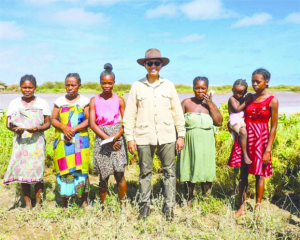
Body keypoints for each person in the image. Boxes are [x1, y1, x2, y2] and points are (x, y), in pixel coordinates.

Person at [123, 48, 186, 221]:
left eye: (156, 63)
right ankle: (144, 205)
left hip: (167, 135)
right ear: (144, 65)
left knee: (169, 172)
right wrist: (130, 138)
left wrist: (181, 135)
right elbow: (129, 114)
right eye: (149, 63)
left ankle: (169, 206)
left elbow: (177, 111)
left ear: (161, 65)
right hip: (144, 135)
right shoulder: (137, 86)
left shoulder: (169, 85)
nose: (153, 66)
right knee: (145, 173)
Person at [228, 68, 279, 218]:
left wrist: (268, 149)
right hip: (245, 138)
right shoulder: (248, 97)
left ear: (266, 82)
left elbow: (274, 126)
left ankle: (257, 207)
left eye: (258, 81)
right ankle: (242, 206)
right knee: (243, 174)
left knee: (259, 175)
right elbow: (235, 113)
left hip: (261, 140)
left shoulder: (272, 101)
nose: (255, 84)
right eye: (253, 81)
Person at [3, 75, 51, 209]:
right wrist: (15, 129)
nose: (27, 90)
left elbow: (48, 123)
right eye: (24, 87)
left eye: (30, 87)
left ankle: (38, 204)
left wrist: (38, 128)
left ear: (35, 87)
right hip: (21, 141)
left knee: (38, 171)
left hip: (37, 141)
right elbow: (8, 123)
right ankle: (28, 204)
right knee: (23, 172)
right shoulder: (14, 103)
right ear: (20, 88)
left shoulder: (42, 103)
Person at [177, 77, 223, 208]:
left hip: (206, 142)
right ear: (193, 88)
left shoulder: (210, 105)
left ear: (207, 89)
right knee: (189, 168)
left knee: (206, 169)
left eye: (203, 88)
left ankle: (206, 199)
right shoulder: (186, 103)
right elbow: (178, 123)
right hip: (189, 142)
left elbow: (219, 122)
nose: (200, 91)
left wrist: (210, 103)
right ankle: (188, 199)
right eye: (197, 88)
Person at [89, 63, 127, 208]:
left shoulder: (120, 100)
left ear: (114, 83)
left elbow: (127, 122)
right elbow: (93, 124)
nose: (106, 86)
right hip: (102, 138)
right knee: (104, 175)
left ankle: (123, 205)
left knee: (119, 174)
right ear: (100, 83)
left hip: (118, 138)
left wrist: (116, 136)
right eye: (104, 83)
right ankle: (104, 206)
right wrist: (108, 139)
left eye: (109, 83)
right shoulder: (94, 100)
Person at [51, 73, 90, 210]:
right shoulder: (59, 101)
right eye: (67, 85)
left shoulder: (85, 101)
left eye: (73, 85)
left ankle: (83, 202)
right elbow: (53, 119)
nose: (70, 87)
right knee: (64, 170)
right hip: (63, 142)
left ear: (79, 85)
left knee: (80, 170)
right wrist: (64, 128)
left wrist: (73, 129)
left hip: (80, 142)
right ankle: (64, 204)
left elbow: (89, 119)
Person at [228, 79, 252, 165]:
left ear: (245, 92)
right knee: (243, 131)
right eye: (236, 92)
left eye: (241, 93)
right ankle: (245, 155)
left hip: (242, 119)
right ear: (232, 90)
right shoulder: (232, 98)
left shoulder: (243, 98)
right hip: (234, 120)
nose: (239, 95)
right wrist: (246, 101)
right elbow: (237, 109)